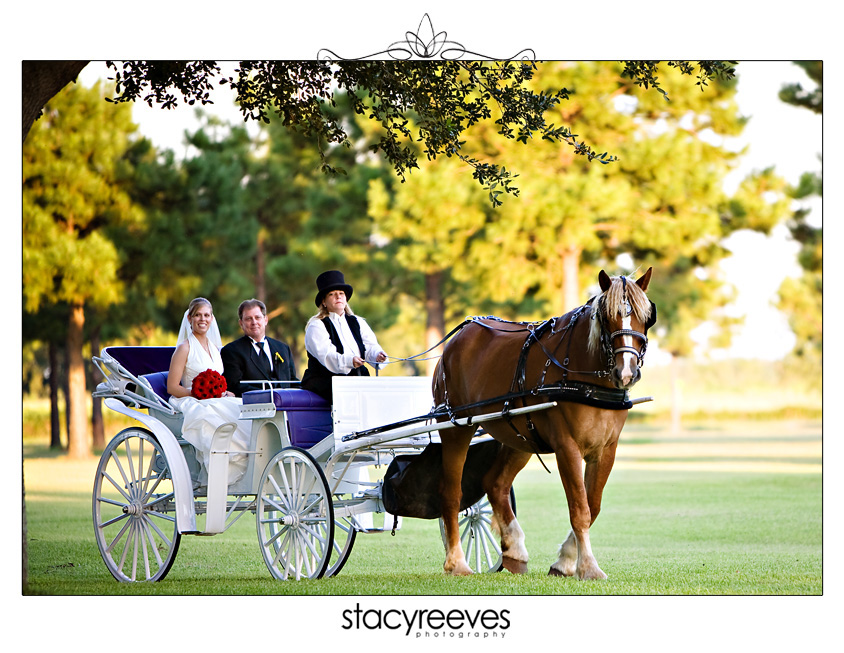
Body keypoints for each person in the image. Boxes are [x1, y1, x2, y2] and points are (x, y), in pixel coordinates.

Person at [167, 297, 251, 485]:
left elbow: (218, 379)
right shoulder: (184, 348)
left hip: (215, 398)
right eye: (197, 315)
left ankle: (251, 458)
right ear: (189, 318)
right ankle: (222, 464)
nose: (202, 319)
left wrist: (224, 392)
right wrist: (198, 392)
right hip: (193, 399)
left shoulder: (214, 348)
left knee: (242, 408)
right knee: (210, 417)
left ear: (212, 319)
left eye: (206, 315)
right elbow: (172, 387)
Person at [301, 270, 388, 402]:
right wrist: (350, 361)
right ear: (323, 301)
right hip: (327, 383)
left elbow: (369, 346)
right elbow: (328, 356)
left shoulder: (357, 322)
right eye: (332, 294)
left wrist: (377, 355)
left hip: (356, 380)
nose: (338, 297)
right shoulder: (316, 326)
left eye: (341, 293)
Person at [221, 298, 297, 397]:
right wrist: (269, 395)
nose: (254, 322)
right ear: (241, 323)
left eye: (257, 317)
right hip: (254, 407)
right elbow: (234, 385)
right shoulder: (231, 351)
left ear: (265, 320)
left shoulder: (283, 348)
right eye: (248, 319)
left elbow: (293, 381)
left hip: (286, 405)